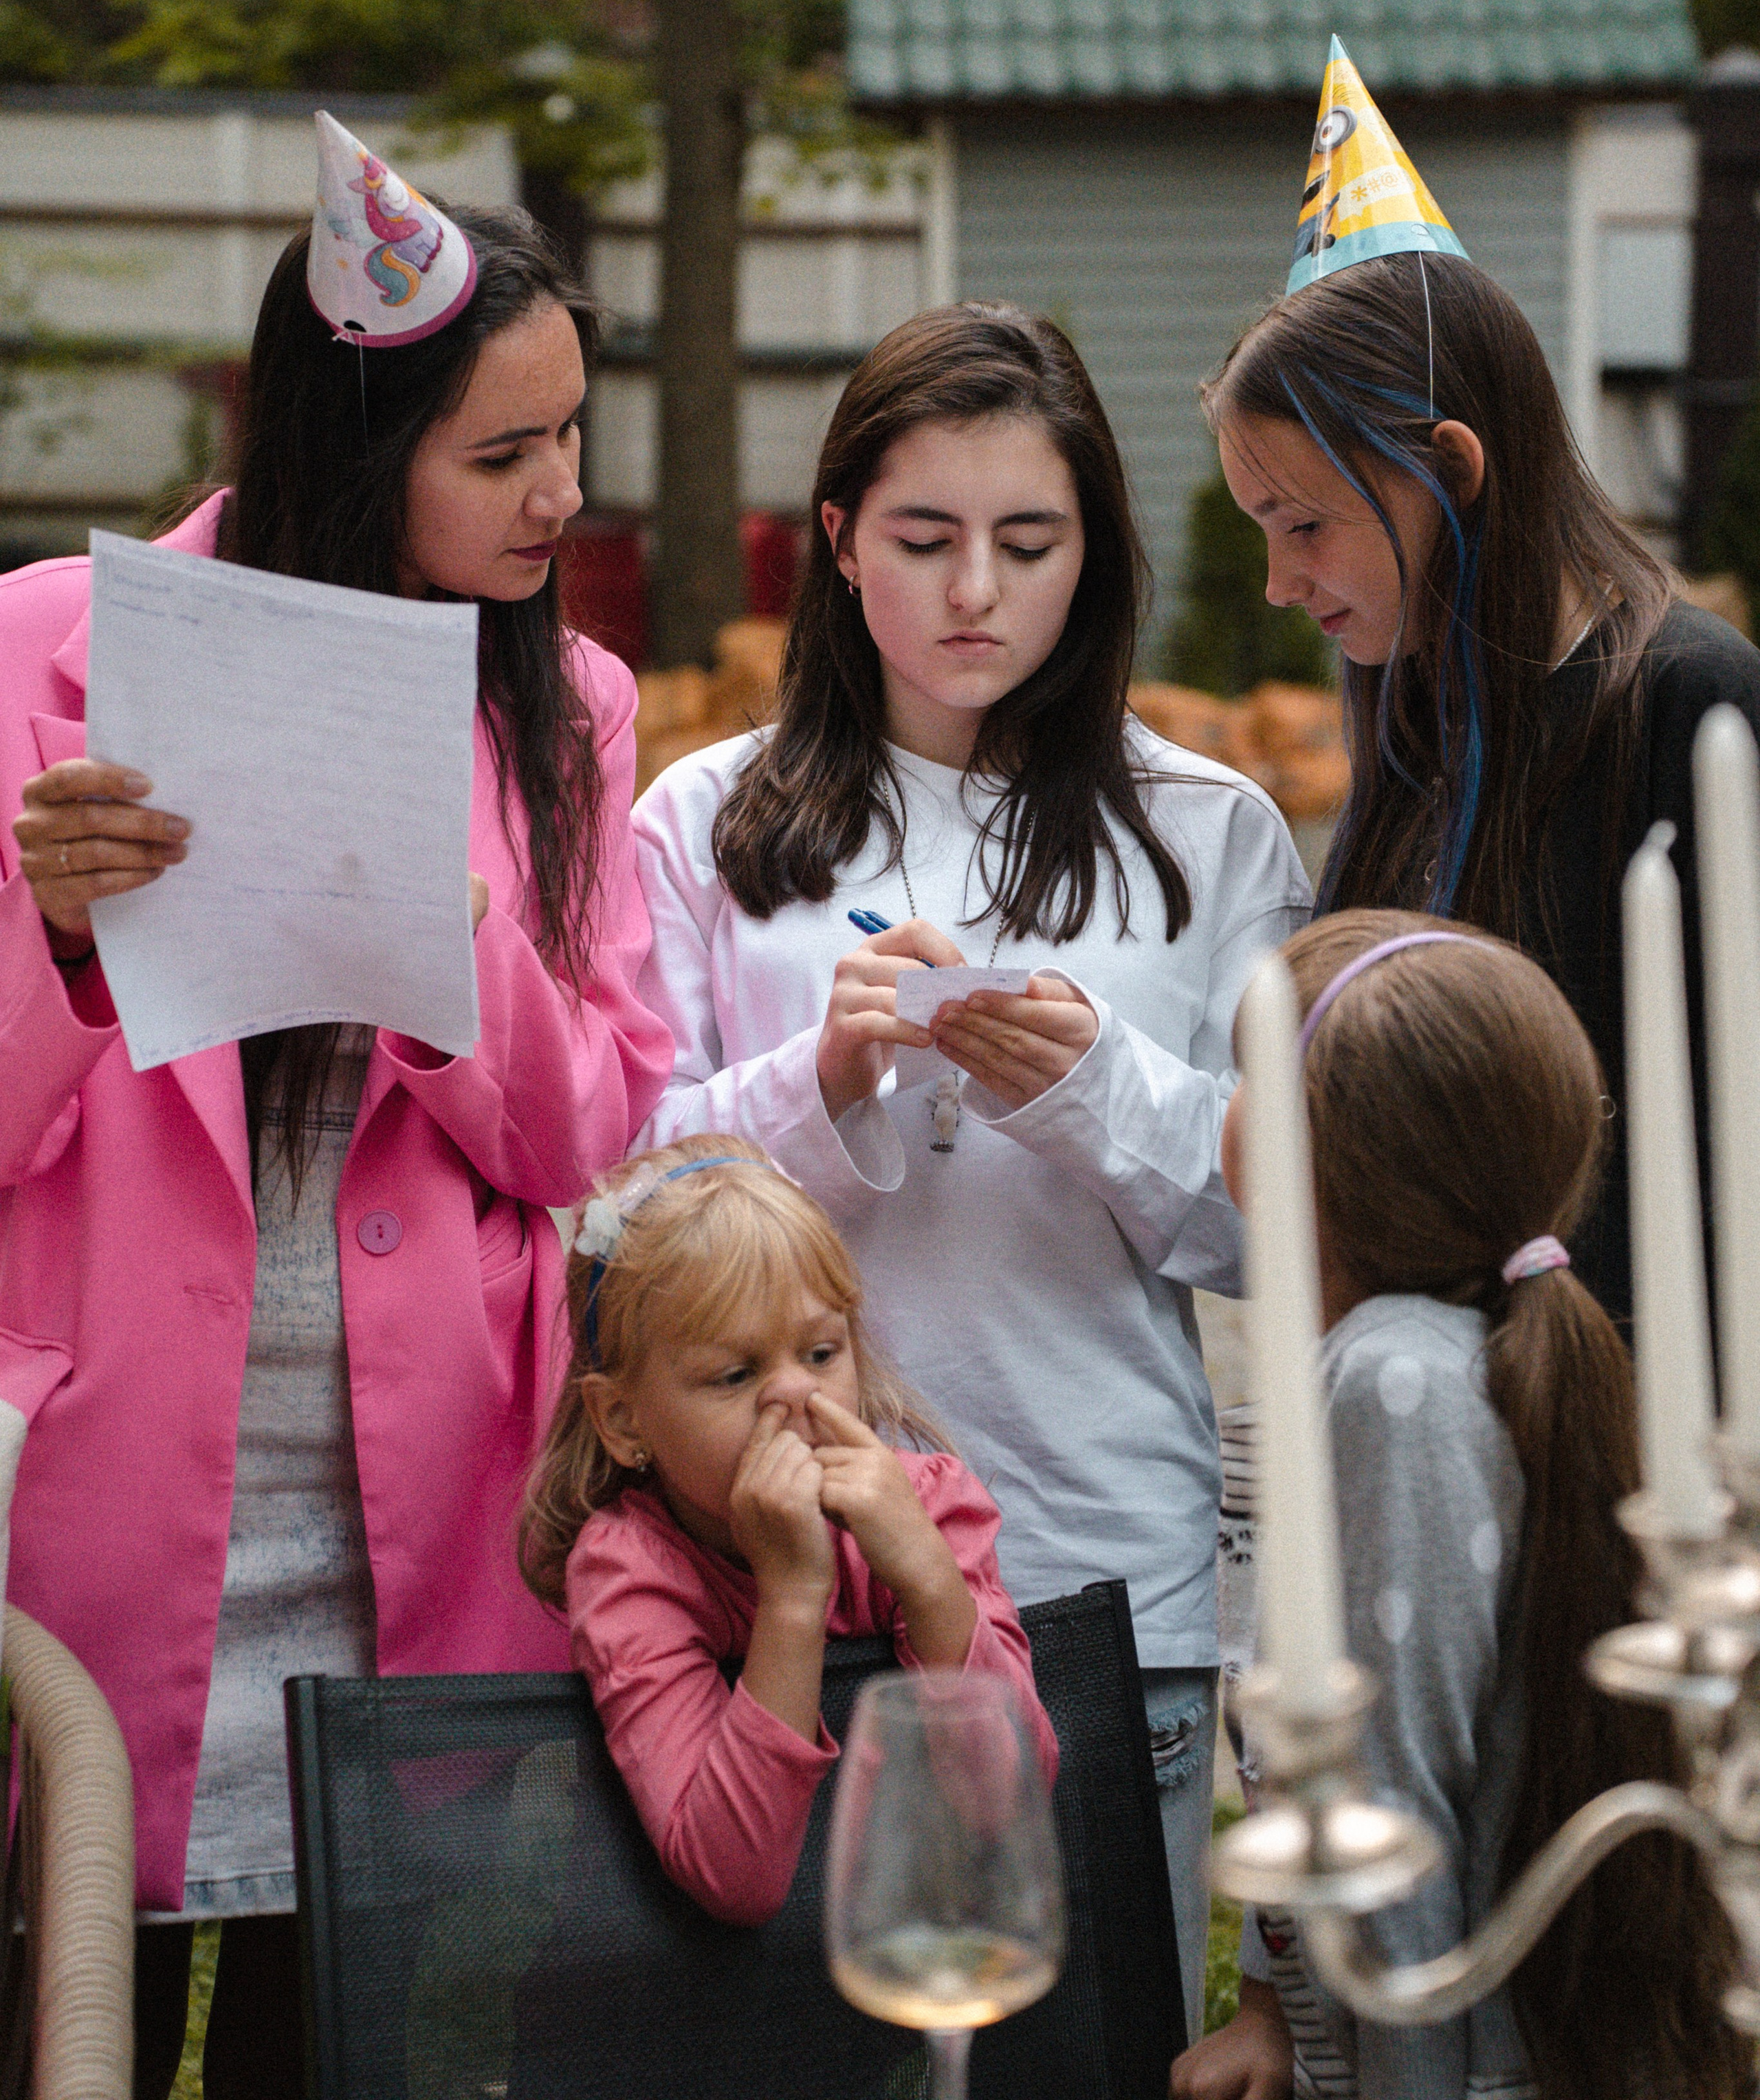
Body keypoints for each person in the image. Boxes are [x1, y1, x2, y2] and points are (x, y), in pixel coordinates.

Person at [0, 117, 671, 2100]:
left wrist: (457, 946)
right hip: (103, 1492)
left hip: (421, 1515)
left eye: (572, 433)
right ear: (350, 448)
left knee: (349, 2036)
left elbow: (585, 1138)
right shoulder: (42, 649)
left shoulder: (575, 713)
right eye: (500, 455)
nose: (559, 493)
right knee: (67, 2018)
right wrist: (52, 930)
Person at [630, 303, 1310, 2022]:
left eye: (1029, 541)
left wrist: (1096, 1085)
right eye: (925, 538)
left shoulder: (1206, 828)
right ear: (841, 538)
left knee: (1085, 2044)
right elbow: (616, 1210)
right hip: (767, 1576)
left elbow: (1279, 1236)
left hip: (1100, 1571)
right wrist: (821, 1075)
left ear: (1097, 551)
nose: (974, 592)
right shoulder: (701, 824)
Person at [1206, 43, 1760, 1334]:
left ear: (1451, 468)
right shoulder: (1417, 712)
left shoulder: (1688, 700)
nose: (1282, 585)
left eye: (1305, 525)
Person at [1171, 912, 1746, 2100]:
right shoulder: (1429, 1359)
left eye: (1244, 1078)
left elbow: (1394, 1804)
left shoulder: (1397, 1382)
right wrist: (1279, 2015)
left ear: (1295, 1152)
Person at [521, 1134, 1060, 1924]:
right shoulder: (631, 1570)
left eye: (819, 1352)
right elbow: (734, 1881)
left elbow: (1005, 1800)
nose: (795, 1398)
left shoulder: (931, 1506)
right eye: (734, 1375)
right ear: (623, 1419)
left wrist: (923, 1573)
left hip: (928, 1936)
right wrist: (794, 1598)